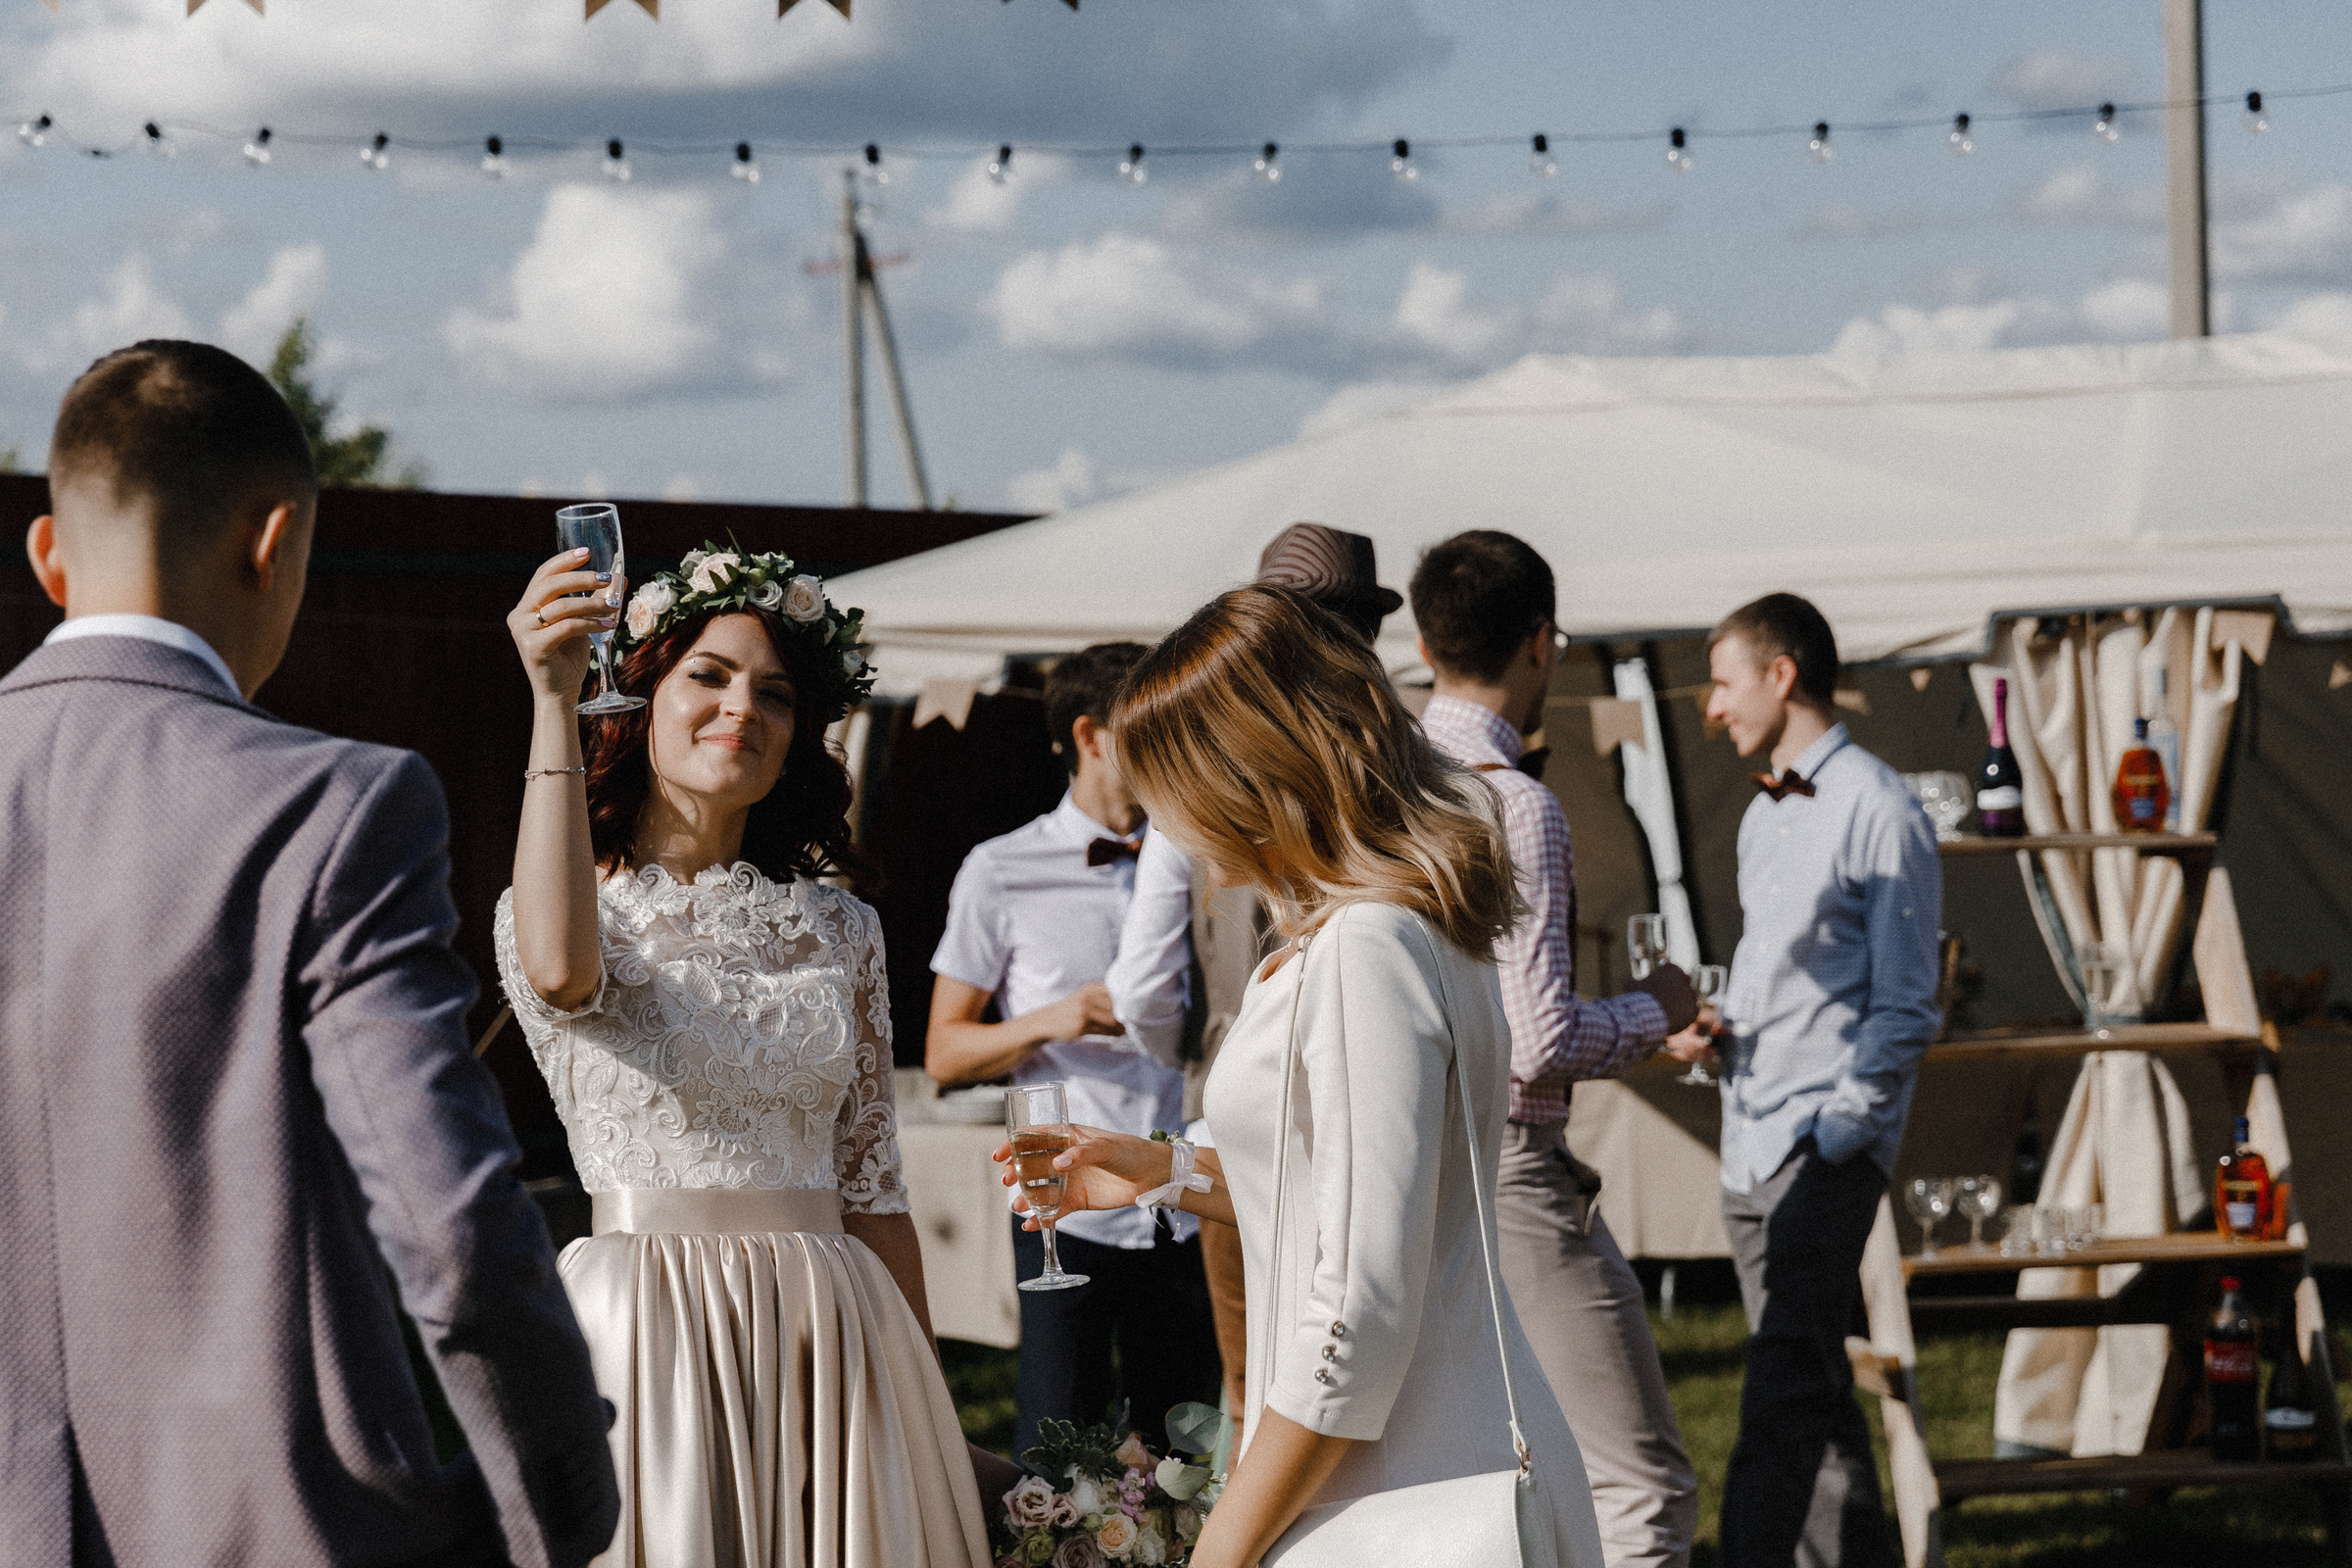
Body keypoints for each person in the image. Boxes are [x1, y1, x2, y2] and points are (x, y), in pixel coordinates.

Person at [0, 341, 618, 1566]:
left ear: (50, 555)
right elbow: (448, 1226)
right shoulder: (331, 807)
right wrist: (557, 1507)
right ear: (275, 540)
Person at [1007, 585, 1609, 1568]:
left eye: (1170, 784)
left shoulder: (1368, 945)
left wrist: (1224, 1548)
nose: (1164, 821)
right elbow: (1341, 1183)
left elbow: (1359, 1308)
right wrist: (1156, 1169)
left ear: (1246, 772)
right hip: (1405, 1453)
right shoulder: (1389, 925)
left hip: (1404, 1479)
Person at [495, 542, 1000, 1568]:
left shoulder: (842, 928)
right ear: (637, 699)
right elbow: (556, 973)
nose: (744, 708)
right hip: (650, 1331)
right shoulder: (570, 908)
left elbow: (873, 1186)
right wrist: (551, 699)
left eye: (775, 693)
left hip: (836, 1332)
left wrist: (928, 1411)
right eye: (710, 676)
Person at [1410, 530, 1703, 1568]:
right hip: (1511, 1177)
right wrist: (1657, 1010)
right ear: (1542, 643)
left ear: (1420, 637)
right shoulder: (1515, 802)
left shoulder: (1378, 786)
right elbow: (1537, 1041)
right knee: (1642, 1486)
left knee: (1477, 1482)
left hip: (1405, 1175)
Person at [1105, 520, 1403, 1441]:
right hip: (1242, 1165)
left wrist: (1199, 1065)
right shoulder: (1415, 794)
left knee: (1260, 1390)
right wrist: (1155, 1166)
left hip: (1245, 1149)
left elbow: (1142, 989)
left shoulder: (1364, 944)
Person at [927, 643, 1219, 1458]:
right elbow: (945, 1053)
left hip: (1184, 1194)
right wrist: (1051, 1019)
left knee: (1187, 1452)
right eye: (1152, 727)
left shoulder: (1211, 860)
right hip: (1065, 1202)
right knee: (1058, 1455)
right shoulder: (1001, 869)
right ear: (1091, 736)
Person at [1700, 592, 1941, 1568]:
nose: (1713, 707)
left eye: (1723, 681)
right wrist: (1718, 1031)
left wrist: (1841, 1136)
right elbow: (1784, 979)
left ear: (1781, 673)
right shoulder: (1766, 815)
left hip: (1818, 1149)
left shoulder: (1881, 808)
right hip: (1747, 1132)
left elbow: (1906, 1003)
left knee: (1779, 1393)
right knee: (1815, 1393)